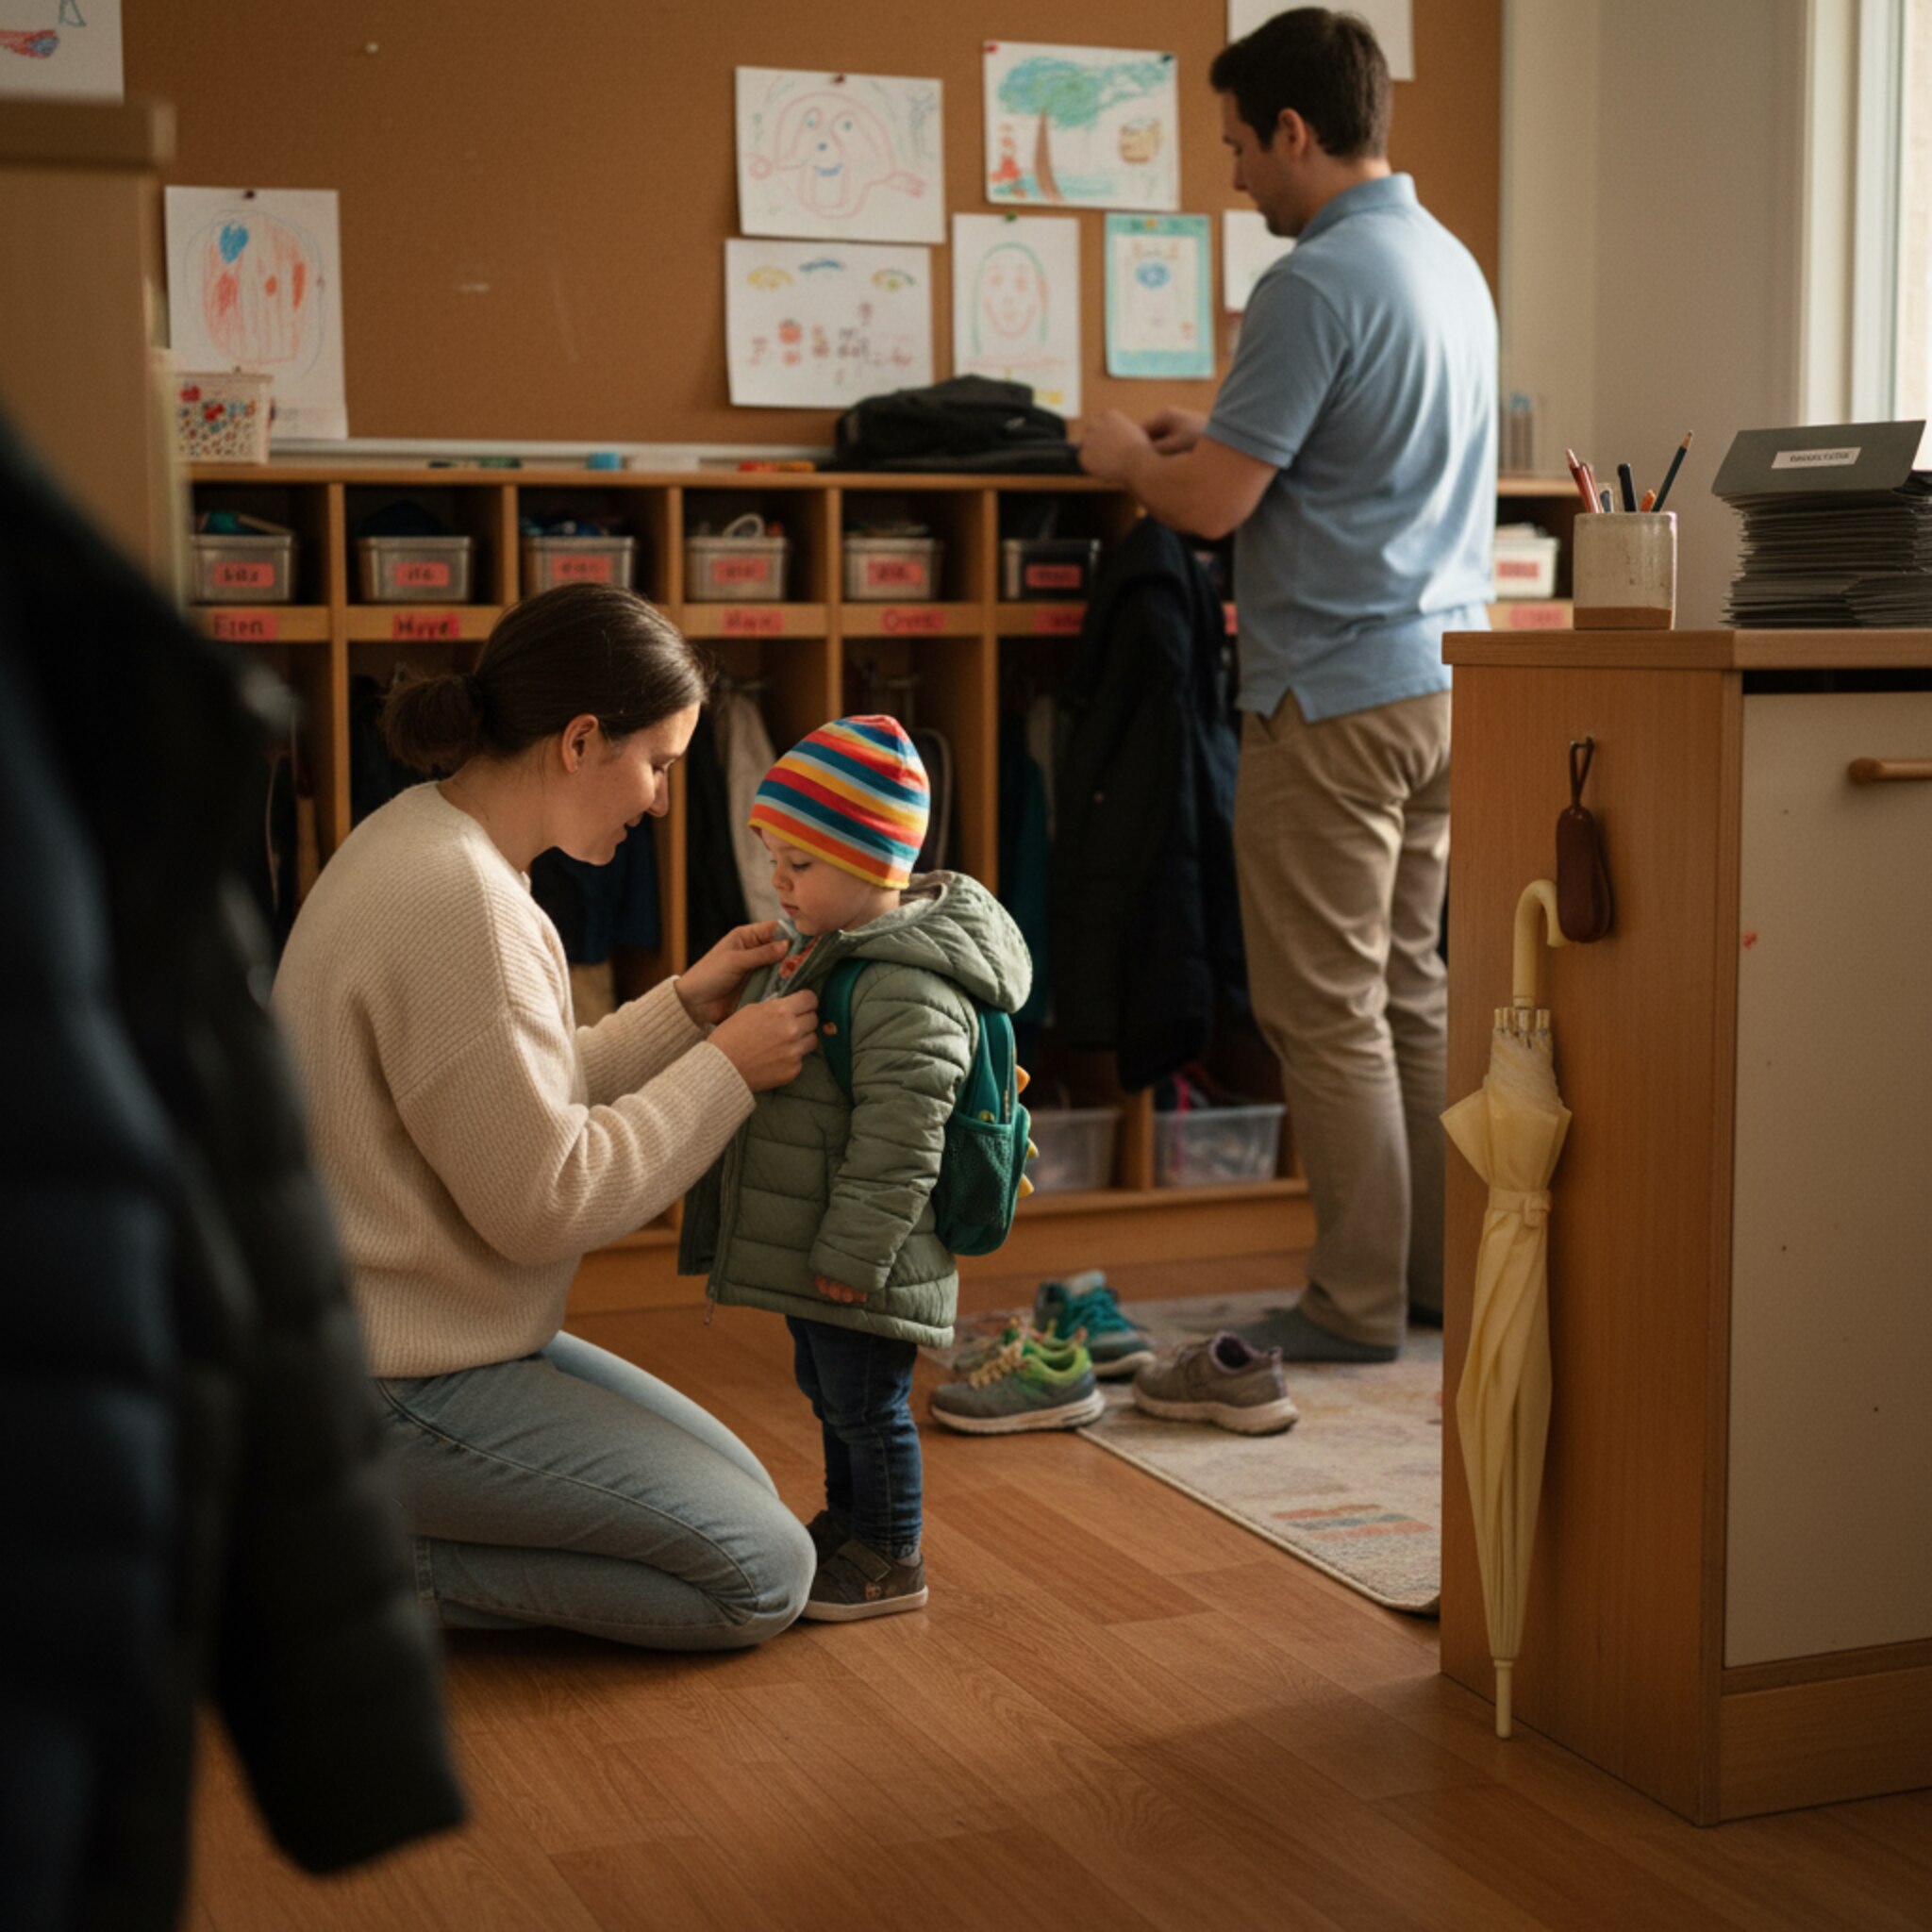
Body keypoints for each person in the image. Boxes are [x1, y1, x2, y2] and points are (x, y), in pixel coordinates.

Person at [273, 583, 823, 1649]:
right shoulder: (465, 902)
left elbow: (496, 1097)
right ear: (581, 740)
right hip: (391, 1377)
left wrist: (680, 1009)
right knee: (759, 1571)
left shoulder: (429, 839)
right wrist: (724, 1072)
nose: (662, 799)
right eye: (658, 763)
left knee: (743, 1493)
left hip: (410, 1345)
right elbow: (545, 1197)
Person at [1077, 8, 1497, 1362]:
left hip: (1328, 694)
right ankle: (1437, 1284)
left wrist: (1125, 457)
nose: (1237, 174)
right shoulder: (1446, 264)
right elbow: (1336, 450)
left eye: (1241, 147)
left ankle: (1351, 1305)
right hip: (1439, 682)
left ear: (1297, 132)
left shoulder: (1311, 282)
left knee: (1325, 1016)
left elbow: (1207, 505)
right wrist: (1221, 437)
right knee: (1410, 995)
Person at [678, 718, 1031, 1621]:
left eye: (801, 863)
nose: (778, 880)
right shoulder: (830, 951)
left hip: (869, 1256)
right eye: (773, 858)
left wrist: (853, 1252)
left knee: (871, 1409)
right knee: (832, 1397)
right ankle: (849, 1524)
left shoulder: (906, 986)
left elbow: (901, 1141)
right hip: (824, 1250)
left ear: (876, 864)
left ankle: (891, 1555)